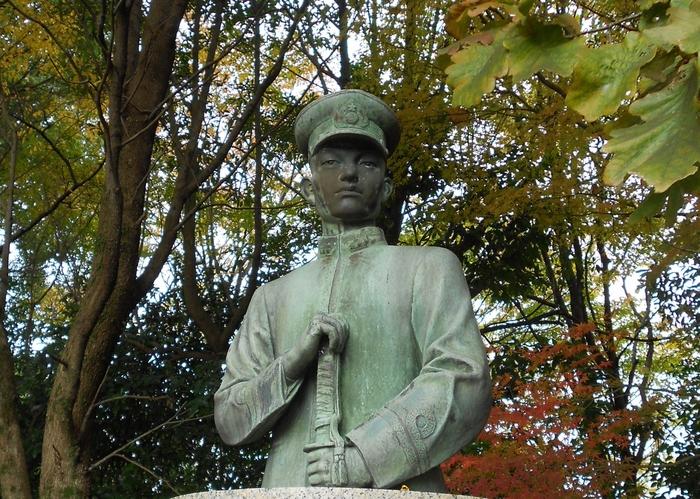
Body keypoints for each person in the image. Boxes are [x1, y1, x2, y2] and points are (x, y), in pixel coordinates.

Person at [214, 89, 492, 492]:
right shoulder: (272, 298)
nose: (349, 173)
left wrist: (363, 458)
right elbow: (230, 420)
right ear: (310, 189)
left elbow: (464, 378)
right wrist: (293, 362)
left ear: (386, 187)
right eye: (331, 162)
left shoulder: (430, 267)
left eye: (366, 162)